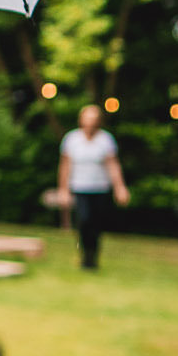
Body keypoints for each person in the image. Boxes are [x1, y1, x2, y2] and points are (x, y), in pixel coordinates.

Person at [58, 103, 129, 269]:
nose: (90, 123)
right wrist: (63, 189)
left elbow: (113, 165)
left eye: (93, 119)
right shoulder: (72, 139)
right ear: (81, 120)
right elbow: (65, 166)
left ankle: (93, 256)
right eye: (87, 119)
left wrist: (120, 187)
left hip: (100, 188)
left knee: (96, 223)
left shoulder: (105, 140)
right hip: (80, 187)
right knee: (84, 220)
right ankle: (84, 254)